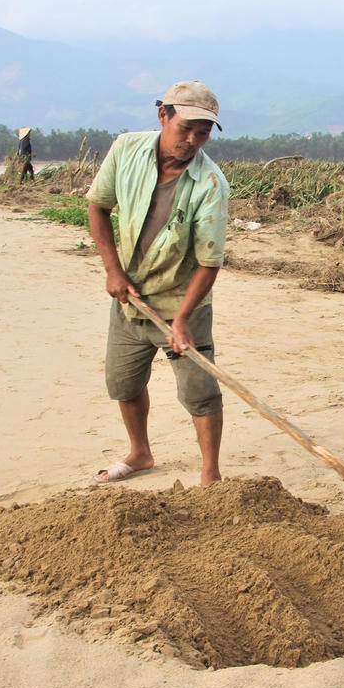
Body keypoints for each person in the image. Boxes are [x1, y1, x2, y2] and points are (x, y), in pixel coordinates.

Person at [85, 80, 229, 486]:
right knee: (123, 382)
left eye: (202, 133)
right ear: (163, 115)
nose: (192, 140)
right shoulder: (127, 149)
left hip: (184, 303)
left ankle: (210, 475)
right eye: (185, 128)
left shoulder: (211, 185)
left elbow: (208, 261)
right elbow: (98, 207)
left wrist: (182, 319)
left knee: (200, 391)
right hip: (131, 300)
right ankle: (140, 453)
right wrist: (113, 271)